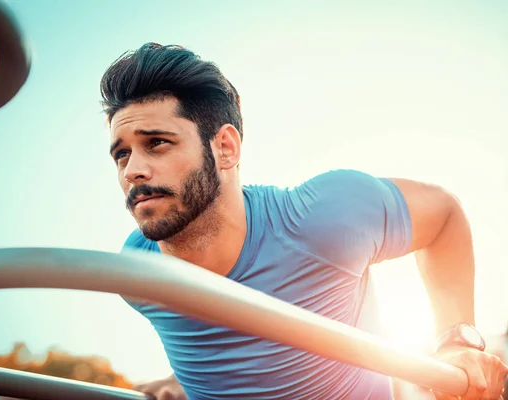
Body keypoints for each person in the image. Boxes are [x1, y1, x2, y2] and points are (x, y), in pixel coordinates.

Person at [99, 42, 508, 400]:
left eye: (157, 143)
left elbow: (443, 215)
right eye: (122, 154)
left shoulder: (325, 218)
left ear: (225, 147)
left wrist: (456, 341)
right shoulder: (137, 276)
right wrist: (183, 380)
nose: (133, 170)